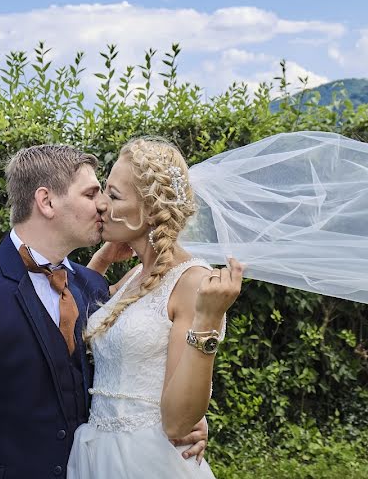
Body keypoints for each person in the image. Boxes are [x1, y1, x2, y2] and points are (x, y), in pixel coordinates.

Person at [0, 144, 208, 479]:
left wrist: (191, 417)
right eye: (91, 193)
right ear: (47, 201)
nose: (102, 205)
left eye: (107, 194)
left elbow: (134, 360)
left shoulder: (92, 288)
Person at [68, 137, 243, 478]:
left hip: (145, 461)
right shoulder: (136, 275)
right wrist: (100, 262)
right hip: (97, 453)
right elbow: (72, 317)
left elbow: (179, 422)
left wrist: (208, 320)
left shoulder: (192, 282)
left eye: (114, 195)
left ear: (149, 210)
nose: (101, 204)